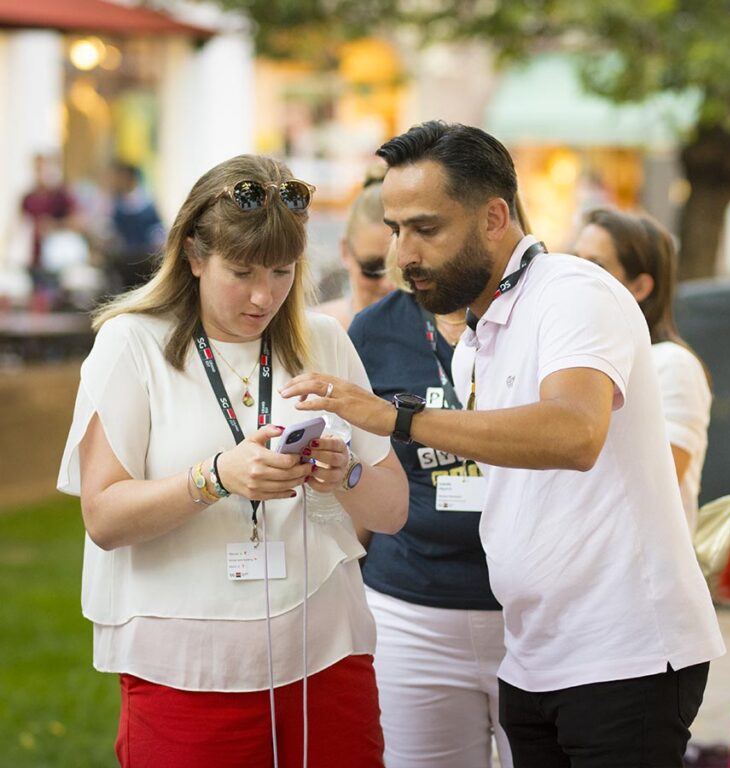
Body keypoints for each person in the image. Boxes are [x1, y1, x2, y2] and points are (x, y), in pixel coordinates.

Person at [280, 121, 725, 767]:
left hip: (623, 652)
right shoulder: (483, 333)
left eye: (425, 228)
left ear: (495, 216)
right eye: (397, 228)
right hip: (533, 651)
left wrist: (395, 418)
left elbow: (575, 432)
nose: (404, 255)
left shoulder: (573, 293)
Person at [56, 154, 408, 766]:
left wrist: (343, 472)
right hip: (182, 668)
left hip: (323, 656)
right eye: (241, 271)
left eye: (282, 271)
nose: (264, 295)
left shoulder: (323, 339)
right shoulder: (131, 343)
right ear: (193, 256)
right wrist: (216, 477)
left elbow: (395, 508)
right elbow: (104, 517)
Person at [348, 241, 513, 767]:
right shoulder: (374, 330)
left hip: (529, 607)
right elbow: (363, 469)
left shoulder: (534, 316)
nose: (410, 246)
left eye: (428, 226)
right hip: (411, 608)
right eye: (399, 230)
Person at [573, 207, 711, 533]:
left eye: (595, 265)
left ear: (639, 287)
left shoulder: (672, 364)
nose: (577, 275)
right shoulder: (581, 358)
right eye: (574, 259)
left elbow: (657, 488)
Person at [317, 175, 396, 329]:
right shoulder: (317, 330)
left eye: (402, 271)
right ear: (345, 251)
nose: (389, 283)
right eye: (373, 268)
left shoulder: (437, 333)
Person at [106, 161, 166, 293]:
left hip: (144, 257)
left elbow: (157, 230)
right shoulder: (117, 205)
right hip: (124, 258)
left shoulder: (147, 204)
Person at [21, 152, 75, 297]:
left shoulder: (61, 195)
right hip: (34, 254)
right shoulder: (28, 197)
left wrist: (55, 226)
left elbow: (77, 220)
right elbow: (20, 223)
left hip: (55, 255)